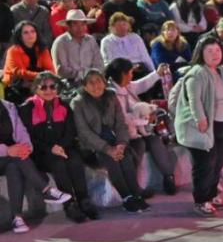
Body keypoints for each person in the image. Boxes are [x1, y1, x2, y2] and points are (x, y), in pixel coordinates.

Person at [19, 72, 99, 222]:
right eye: (43, 87)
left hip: (64, 147)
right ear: (36, 89)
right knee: (59, 164)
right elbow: (28, 136)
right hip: (40, 152)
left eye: (52, 86)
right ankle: (69, 205)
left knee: (75, 160)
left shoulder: (63, 105)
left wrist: (60, 145)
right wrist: (51, 148)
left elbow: (70, 131)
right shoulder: (27, 108)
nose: (49, 90)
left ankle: (84, 200)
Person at [173, 36, 223, 216]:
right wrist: (200, 119)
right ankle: (201, 201)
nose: (214, 54)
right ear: (201, 53)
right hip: (204, 128)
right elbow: (195, 100)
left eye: (217, 50)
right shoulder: (197, 72)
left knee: (217, 164)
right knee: (205, 165)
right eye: (209, 51)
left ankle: (211, 194)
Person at [71, 69, 151, 213]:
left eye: (98, 81)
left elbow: (120, 123)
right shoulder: (78, 103)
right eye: (91, 83)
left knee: (125, 155)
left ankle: (136, 194)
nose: (96, 86)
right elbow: (84, 133)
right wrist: (108, 149)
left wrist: (121, 144)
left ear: (104, 82)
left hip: (113, 140)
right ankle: (127, 198)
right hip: (91, 147)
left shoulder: (111, 97)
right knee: (110, 159)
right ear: (84, 86)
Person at [0, 94, 73, 233]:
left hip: (13, 156)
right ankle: (47, 190)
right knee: (15, 159)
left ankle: (17, 218)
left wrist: (26, 147)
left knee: (14, 166)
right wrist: (8, 150)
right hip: (5, 153)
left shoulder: (8, 106)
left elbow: (21, 131)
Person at [106, 58, 176, 195]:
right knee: (139, 145)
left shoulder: (127, 86)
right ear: (123, 74)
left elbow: (142, 84)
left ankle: (169, 177)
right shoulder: (111, 93)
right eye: (130, 73)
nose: (132, 76)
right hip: (123, 134)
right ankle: (132, 187)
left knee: (155, 141)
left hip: (140, 130)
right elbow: (124, 119)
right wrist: (145, 120)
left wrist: (157, 74)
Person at [3, 21, 56, 100]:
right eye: (26, 33)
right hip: (16, 86)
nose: (30, 35)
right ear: (20, 36)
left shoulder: (43, 49)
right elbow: (18, 72)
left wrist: (41, 78)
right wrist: (40, 76)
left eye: (32, 31)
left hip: (39, 83)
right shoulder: (13, 51)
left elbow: (50, 70)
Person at [52, 9, 104, 84]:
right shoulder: (60, 42)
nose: (80, 28)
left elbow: (99, 63)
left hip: (93, 80)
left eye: (83, 24)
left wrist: (92, 76)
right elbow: (61, 70)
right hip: (70, 83)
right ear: (68, 26)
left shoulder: (90, 40)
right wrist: (83, 75)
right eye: (75, 24)